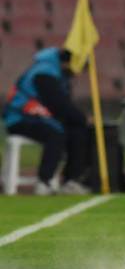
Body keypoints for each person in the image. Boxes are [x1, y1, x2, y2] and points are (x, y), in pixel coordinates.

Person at [2, 47, 89, 195]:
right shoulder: (44, 73)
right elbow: (58, 104)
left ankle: (71, 181)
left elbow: (61, 107)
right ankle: (44, 182)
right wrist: (82, 118)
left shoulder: (57, 73)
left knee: (77, 131)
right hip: (19, 118)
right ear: (69, 63)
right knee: (56, 134)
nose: (78, 73)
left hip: (40, 118)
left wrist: (81, 120)